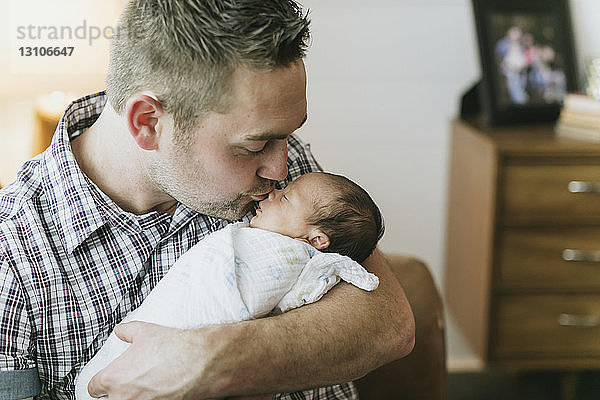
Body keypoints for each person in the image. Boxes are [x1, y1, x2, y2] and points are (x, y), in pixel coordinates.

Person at [0, 1, 415, 399]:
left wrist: (217, 359)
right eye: (255, 145)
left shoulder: (286, 179)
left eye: (288, 134)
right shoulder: (13, 252)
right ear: (148, 122)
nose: (282, 167)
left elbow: (390, 324)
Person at [76, 171, 384, 399]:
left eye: (287, 196)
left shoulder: (302, 260)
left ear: (316, 240)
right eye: (254, 145)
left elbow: (388, 326)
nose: (273, 189)